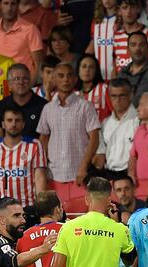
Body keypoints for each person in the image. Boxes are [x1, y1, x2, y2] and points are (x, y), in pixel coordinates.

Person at [36, 63, 101, 210]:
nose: (65, 79)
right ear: (53, 79)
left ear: (75, 79)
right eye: (60, 76)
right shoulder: (48, 109)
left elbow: (94, 139)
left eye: (69, 75)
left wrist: (83, 167)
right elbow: (43, 139)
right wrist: (42, 169)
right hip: (53, 175)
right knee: (56, 221)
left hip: (79, 175)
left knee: (80, 221)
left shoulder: (85, 106)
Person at [0, 106, 48, 211]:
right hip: (1, 209)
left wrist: (41, 207)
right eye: (9, 120)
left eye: (17, 120)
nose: (13, 124)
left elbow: (40, 177)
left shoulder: (35, 145)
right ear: (3, 124)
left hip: (27, 207)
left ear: (23, 124)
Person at [0, 0, 44, 83]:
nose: (9, 8)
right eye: (6, 3)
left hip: (22, 85)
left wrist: (30, 87)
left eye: (13, 4)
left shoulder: (30, 29)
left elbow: (38, 64)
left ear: (18, 5)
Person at [0, 63, 47, 139]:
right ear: (9, 84)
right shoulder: (0, 106)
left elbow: (45, 141)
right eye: (16, 79)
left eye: (25, 78)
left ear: (30, 81)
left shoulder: (44, 106)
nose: (21, 82)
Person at [94, 78, 139, 172]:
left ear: (131, 95)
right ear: (109, 97)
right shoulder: (104, 123)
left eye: (122, 96)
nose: (117, 100)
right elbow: (101, 153)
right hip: (109, 173)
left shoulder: (139, 121)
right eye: (114, 96)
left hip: (132, 173)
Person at [112, 0, 148, 74]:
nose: (129, 11)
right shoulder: (116, 36)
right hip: (120, 84)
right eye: (125, 7)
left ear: (138, 9)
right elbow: (115, 69)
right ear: (119, 11)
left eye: (132, 7)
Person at [86, 0, 119, 81]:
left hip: (116, 72)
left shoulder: (121, 21)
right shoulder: (96, 21)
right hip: (99, 74)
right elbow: (92, 45)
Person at [77, 54, 112, 121]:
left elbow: (115, 113)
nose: (87, 70)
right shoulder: (72, 92)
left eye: (91, 67)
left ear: (96, 71)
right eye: (84, 66)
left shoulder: (104, 89)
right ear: (78, 70)